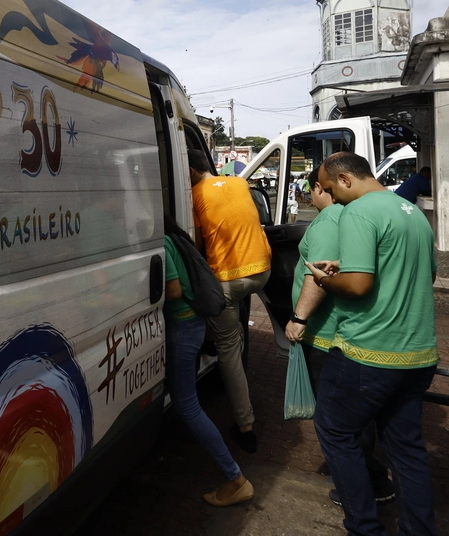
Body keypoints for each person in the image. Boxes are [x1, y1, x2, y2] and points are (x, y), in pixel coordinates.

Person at [307, 152, 438, 536]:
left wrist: (325, 279)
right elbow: (420, 277)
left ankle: (364, 527)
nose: (332, 198)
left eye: (331, 189)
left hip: (369, 351)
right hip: (418, 353)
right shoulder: (410, 211)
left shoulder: (359, 212)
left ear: (345, 180)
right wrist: (344, 271)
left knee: (334, 430)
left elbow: (359, 286)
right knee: (406, 448)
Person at [283, 162, 395, 507]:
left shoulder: (330, 221)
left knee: (343, 419)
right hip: (339, 333)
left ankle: (367, 483)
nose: (320, 195)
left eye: (321, 188)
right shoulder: (355, 216)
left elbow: (316, 277)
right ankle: (364, 476)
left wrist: (298, 318)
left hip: (328, 335)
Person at [162, 216, 254, 507]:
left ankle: (235, 478)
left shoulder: (162, 242)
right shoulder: (175, 236)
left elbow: (174, 290)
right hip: (192, 324)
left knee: (187, 404)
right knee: (185, 400)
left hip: (183, 327)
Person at [188, 148, 272, 454]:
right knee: (233, 330)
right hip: (262, 270)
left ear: (190, 173)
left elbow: (196, 248)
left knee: (228, 352)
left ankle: (245, 426)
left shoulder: (195, 195)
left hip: (227, 279)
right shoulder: (239, 182)